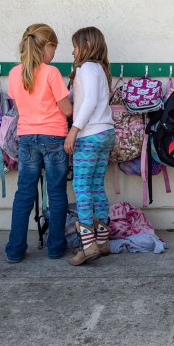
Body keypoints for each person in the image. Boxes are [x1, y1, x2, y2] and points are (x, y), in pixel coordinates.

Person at [5, 24, 72, 263]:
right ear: (48, 46)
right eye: (54, 47)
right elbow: (65, 109)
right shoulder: (51, 73)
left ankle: (15, 249)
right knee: (55, 191)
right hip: (54, 137)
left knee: (24, 193)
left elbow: (18, 106)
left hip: (26, 138)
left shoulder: (15, 73)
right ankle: (55, 247)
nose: (54, 53)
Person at [64, 27, 116, 266]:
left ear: (85, 45)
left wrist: (74, 130)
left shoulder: (86, 68)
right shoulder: (100, 70)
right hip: (105, 133)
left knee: (81, 187)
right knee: (96, 186)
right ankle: (103, 241)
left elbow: (90, 102)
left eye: (74, 46)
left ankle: (88, 245)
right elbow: (88, 99)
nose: (72, 51)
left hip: (90, 135)